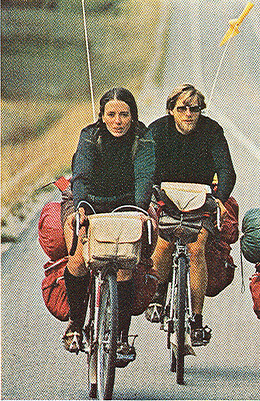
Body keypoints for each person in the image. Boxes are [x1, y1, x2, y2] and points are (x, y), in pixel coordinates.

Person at [61, 88, 155, 363]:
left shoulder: (143, 137)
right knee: (79, 259)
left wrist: (140, 210)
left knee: (125, 264)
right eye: (111, 114)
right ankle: (76, 324)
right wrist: (80, 207)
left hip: (127, 203)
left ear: (133, 115)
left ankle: (121, 336)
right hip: (86, 201)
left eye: (124, 114)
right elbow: (81, 173)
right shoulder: (90, 136)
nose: (118, 121)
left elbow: (144, 175)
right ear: (102, 116)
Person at [145, 83, 236, 346]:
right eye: (182, 108)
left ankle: (196, 319)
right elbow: (145, 167)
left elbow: (226, 170)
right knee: (163, 242)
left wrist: (219, 199)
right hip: (165, 197)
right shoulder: (156, 131)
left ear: (201, 110)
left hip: (201, 199)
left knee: (196, 249)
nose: (188, 114)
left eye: (194, 109)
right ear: (171, 109)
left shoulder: (212, 131)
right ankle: (158, 295)